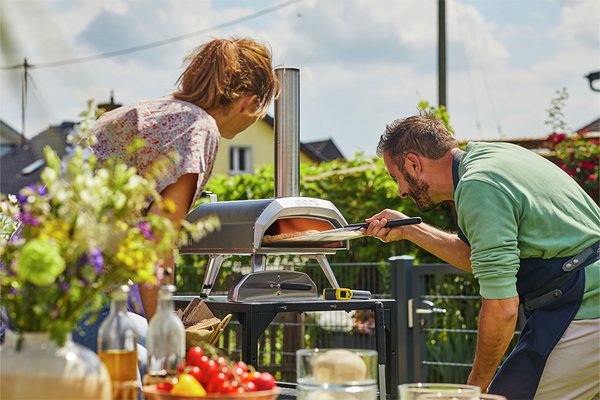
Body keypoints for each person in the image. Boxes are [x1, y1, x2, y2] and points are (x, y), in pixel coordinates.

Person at [363, 114, 599, 399]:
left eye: (396, 177)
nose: (401, 191)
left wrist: (474, 388)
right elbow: (476, 257)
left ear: (413, 164)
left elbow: (502, 307)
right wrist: (411, 230)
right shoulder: (492, 157)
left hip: (585, 307)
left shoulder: (478, 186)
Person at [73, 37, 279, 357]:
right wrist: (163, 335)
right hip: (73, 298)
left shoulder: (152, 113)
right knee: (148, 365)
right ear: (249, 102)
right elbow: (157, 239)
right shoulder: (199, 128)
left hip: (32, 289)